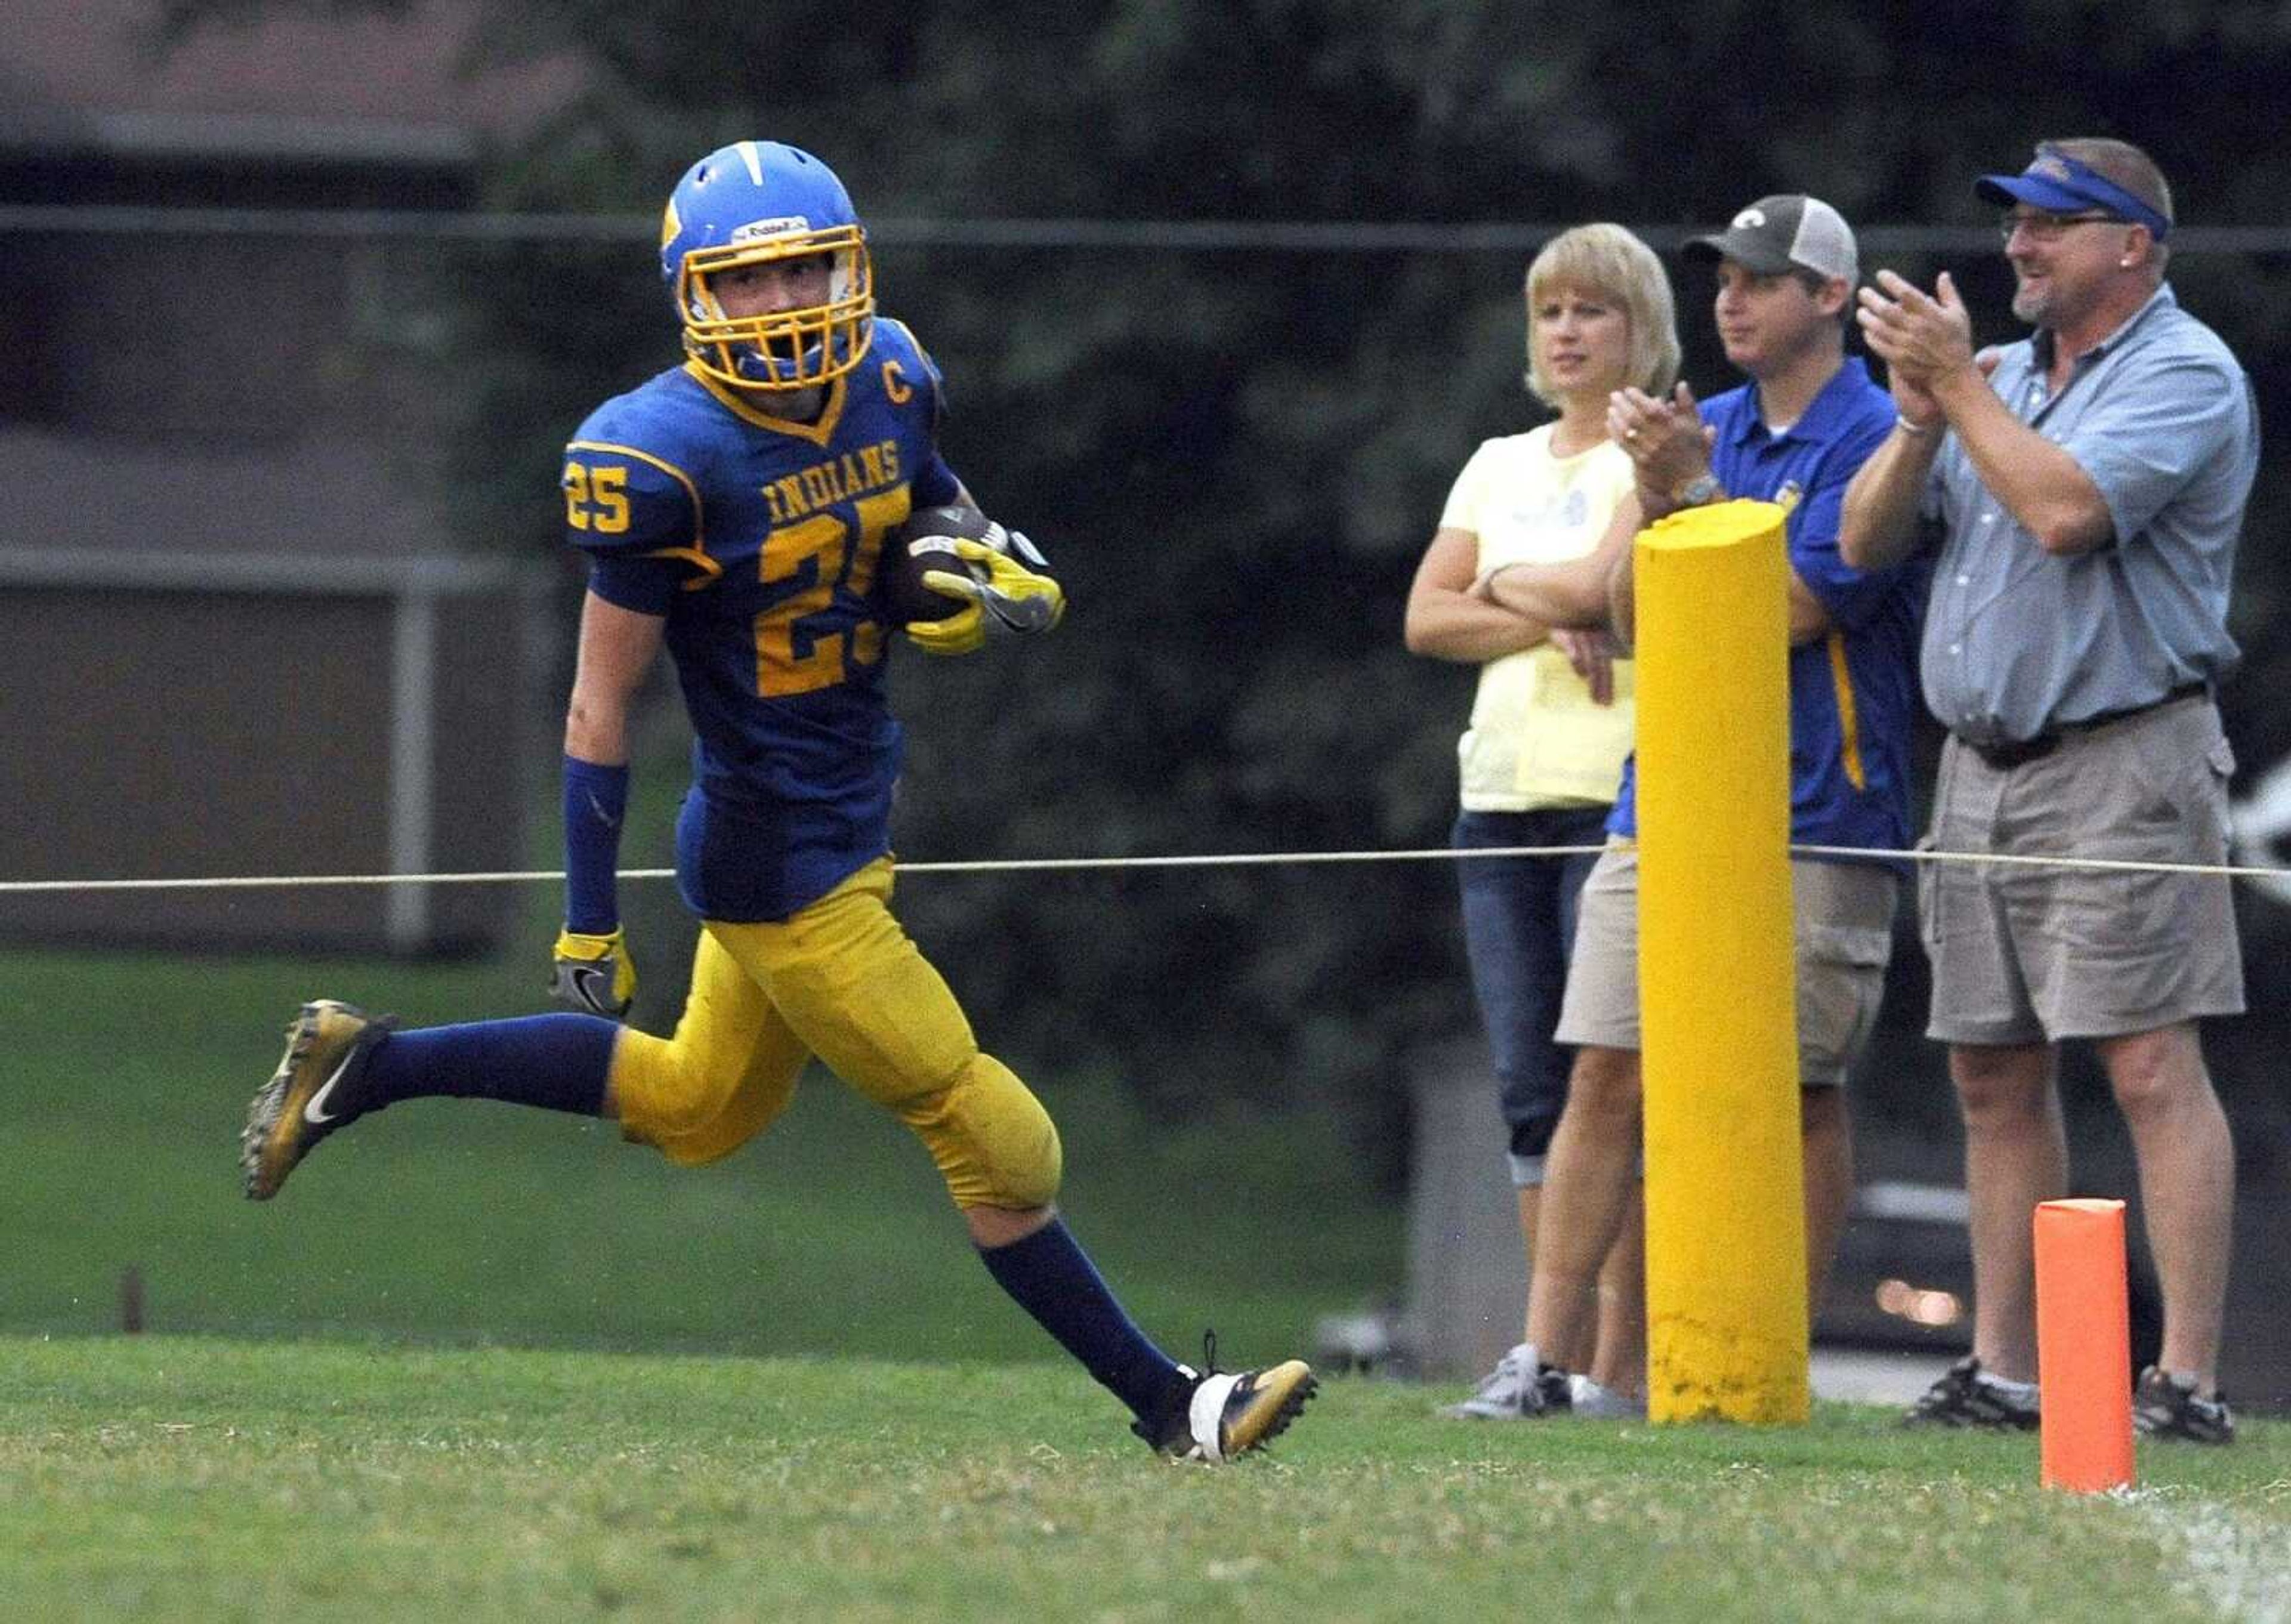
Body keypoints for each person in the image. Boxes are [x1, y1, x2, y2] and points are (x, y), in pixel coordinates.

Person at [239, 138, 1316, 1464]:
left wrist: (989, 565)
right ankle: (1176, 1404)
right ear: (696, 295)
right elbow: (595, 707)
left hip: (843, 814)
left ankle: (374, 1063)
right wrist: (585, 925)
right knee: (993, 1132)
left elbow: (934, 504)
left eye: (809, 266)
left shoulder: (895, 374)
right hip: (782, 862)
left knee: (699, 1106)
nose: (790, 300)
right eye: (752, 281)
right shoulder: (659, 455)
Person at [1475, 194, 1925, 1412]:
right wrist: (1660, 495)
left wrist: (1694, 488)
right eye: (1722, 278)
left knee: (1800, 1090)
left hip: (1818, 802)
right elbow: (1627, 614)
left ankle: (1764, 1355)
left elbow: (1800, 608)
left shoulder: (1874, 432)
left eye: (1763, 280)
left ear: (1830, 298)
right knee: (1602, 1074)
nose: (1731, 298)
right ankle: (1543, 1360)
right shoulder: (1700, 421)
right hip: (1664, 793)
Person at [1841, 138, 2256, 1443]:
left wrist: (1957, 387)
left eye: (2052, 227)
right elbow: (1862, 545)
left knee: (2146, 1063)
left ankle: (2185, 1379)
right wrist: (1919, 414)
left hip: (2123, 761)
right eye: (2015, 224)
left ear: (2131, 244)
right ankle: (2007, 1367)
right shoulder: (2001, 380)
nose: (2018, 247)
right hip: (1977, 770)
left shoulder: (2187, 373)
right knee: (1990, 1076)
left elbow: (2066, 511)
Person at [1403, 223, 1681, 1419]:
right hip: (1498, 796)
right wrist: (1548, 603)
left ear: (1639, 329)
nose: (1566, 333)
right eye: (1551, 312)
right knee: (1530, 1085)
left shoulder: (1657, 457)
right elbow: (1424, 615)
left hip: (1614, 796)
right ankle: (1549, 1354)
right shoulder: (1495, 461)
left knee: (1606, 1085)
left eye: (1593, 312)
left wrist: (1506, 584)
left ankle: (1618, 1364)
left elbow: (1592, 592)